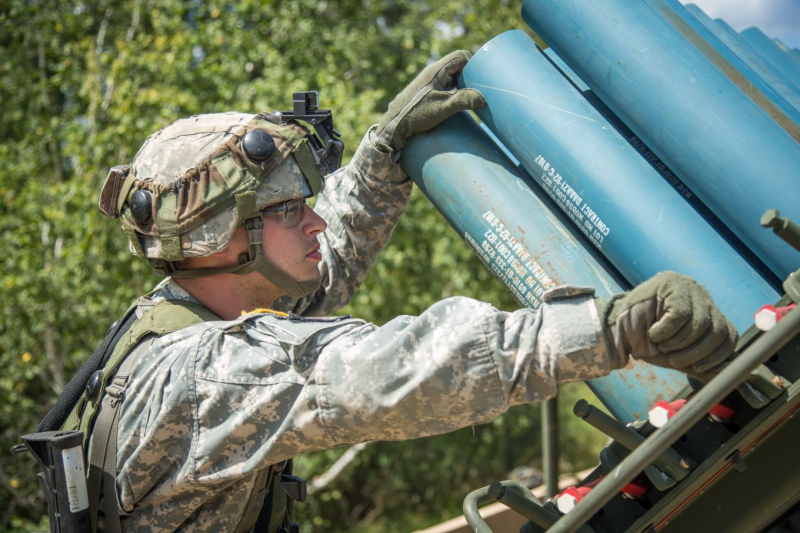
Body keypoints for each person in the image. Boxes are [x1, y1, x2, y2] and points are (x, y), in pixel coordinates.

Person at [49, 51, 736, 532]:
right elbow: (400, 370)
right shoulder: (209, 374)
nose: (314, 217)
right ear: (222, 239)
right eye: (289, 208)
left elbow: (317, 274)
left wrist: (382, 153)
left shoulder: (177, 321)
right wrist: (612, 327)